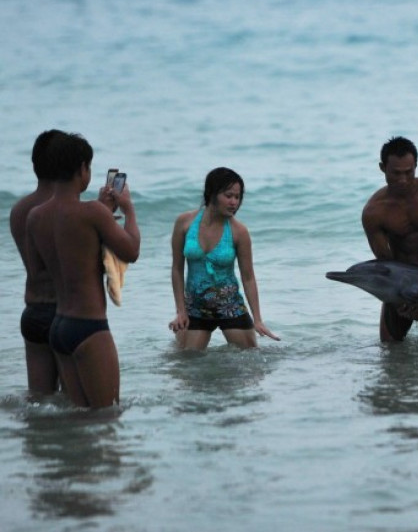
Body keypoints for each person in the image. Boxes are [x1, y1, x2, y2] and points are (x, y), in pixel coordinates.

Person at [24, 132, 140, 408]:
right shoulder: (91, 213)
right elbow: (131, 251)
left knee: (78, 419)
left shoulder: (35, 216)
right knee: (107, 416)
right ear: (82, 169)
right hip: (89, 327)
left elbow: (39, 268)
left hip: (58, 326)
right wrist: (128, 209)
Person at [168, 167, 279, 349]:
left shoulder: (239, 232)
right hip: (195, 309)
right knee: (186, 367)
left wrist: (257, 319)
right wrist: (181, 311)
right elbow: (177, 269)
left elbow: (248, 277)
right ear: (211, 193)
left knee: (250, 367)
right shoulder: (185, 223)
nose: (234, 202)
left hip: (231, 307)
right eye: (228, 196)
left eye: (237, 197)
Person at [362, 136, 418, 342]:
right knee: (389, 347)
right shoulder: (374, 212)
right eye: (396, 173)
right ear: (382, 168)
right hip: (402, 281)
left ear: (416, 166)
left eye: (408, 172)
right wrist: (399, 300)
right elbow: (385, 261)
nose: (403, 180)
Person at [9, 130, 65, 395]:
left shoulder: (19, 209)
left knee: (39, 401)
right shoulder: (65, 209)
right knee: (76, 402)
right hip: (66, 313)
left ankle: (39, 438)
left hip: (33, 311)